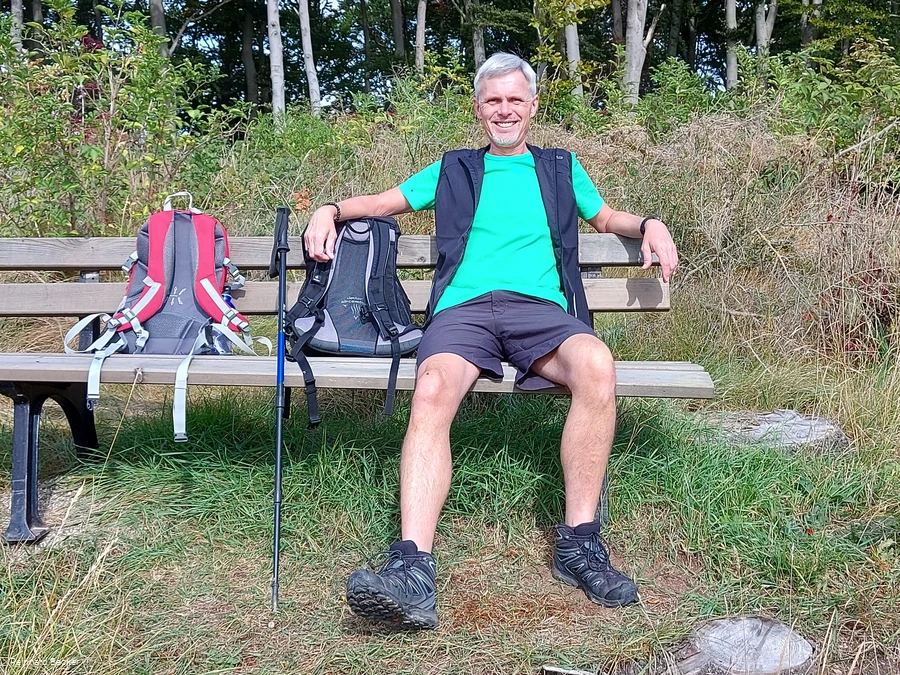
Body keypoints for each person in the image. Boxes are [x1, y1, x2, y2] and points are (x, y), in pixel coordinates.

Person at [303, 52, 679, 630]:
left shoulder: (559, 168)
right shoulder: (453, 168)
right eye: (493, 101)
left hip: (541, 314)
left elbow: (605, 219)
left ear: (532, 106)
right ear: (479, 109)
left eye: (514, 100)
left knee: (597, 364)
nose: (504, 110)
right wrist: (327, 209)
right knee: (430, 388)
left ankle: (579, 545)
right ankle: (412, 570)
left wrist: (650, 222)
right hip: (464, 312)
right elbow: (381, 205)